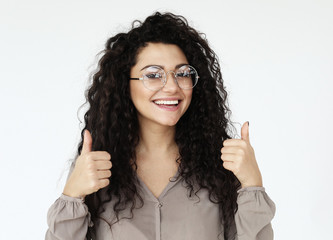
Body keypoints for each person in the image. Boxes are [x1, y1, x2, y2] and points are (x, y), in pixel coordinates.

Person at [45, 11, 275, 240]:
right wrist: (72, 195)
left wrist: (252, 184)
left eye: (183, 74)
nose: (172, 87)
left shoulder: (220, 167)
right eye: (154, 75)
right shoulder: (95, 168)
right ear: (125, 84)